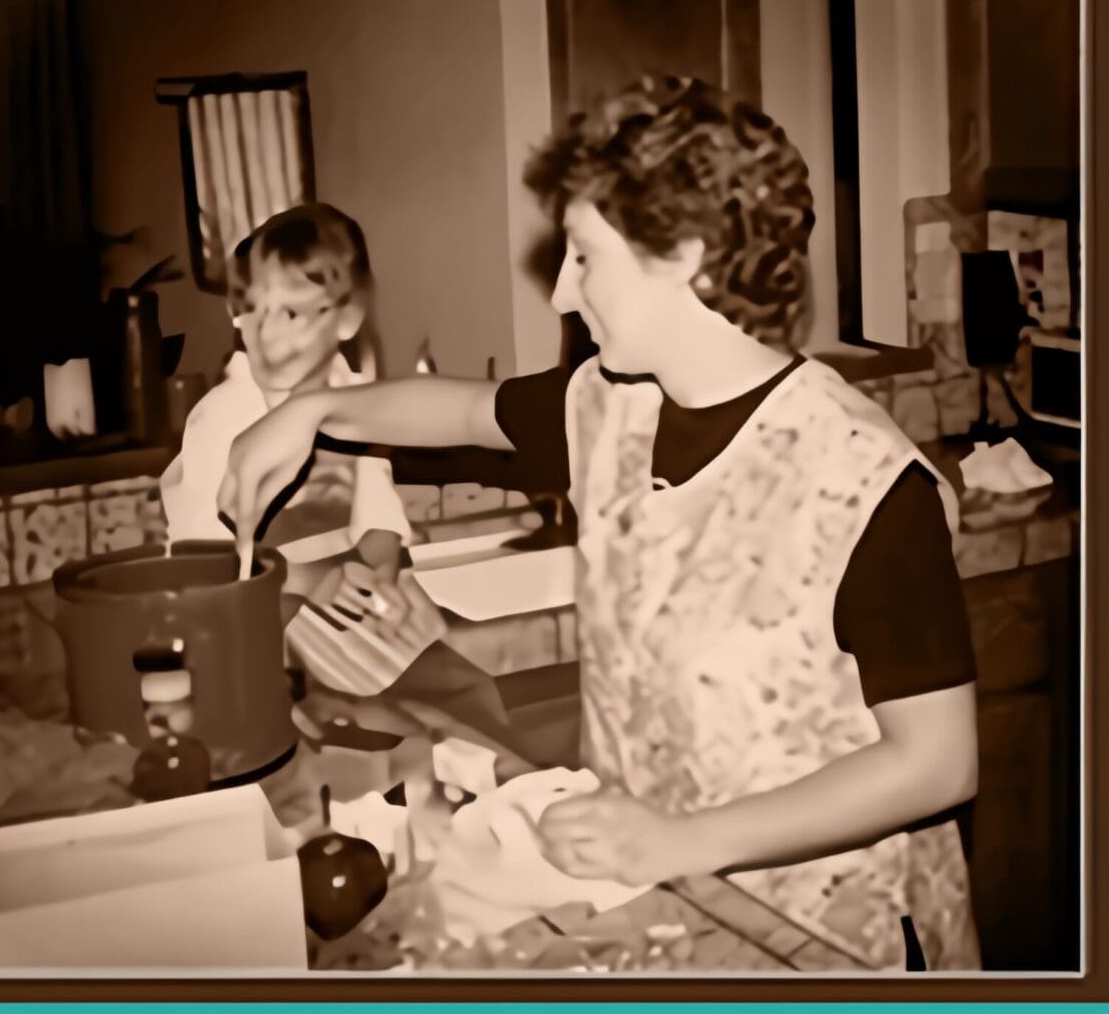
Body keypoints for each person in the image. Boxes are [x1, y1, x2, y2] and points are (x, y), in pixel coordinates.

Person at [216, 76, 982, 970]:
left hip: (830, 939)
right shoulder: (613, 409)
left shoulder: (867, 482)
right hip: (670, 912)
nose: (562, 297)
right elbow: (462, 412)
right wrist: (308, 415)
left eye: (584, 258)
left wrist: (679, 841)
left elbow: (937, 763)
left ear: (684, 253)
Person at [161, 202, 426, 639]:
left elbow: (379, 515)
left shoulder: (353, 398)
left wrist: (378, 573)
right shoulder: (222, 415)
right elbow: (204, 553)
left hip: (331, 612)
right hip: (247, 615)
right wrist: (307, 581)